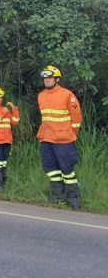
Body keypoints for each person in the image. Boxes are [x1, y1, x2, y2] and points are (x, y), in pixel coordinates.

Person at [37, 65, 83, 210]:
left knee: (67, 170)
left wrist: (70, 133)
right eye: (45, 78)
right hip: (46, 139)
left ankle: (73, 197)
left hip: (64, 140)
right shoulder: (41, 96)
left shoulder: (67, 95)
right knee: (51, 170)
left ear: (57, 79)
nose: (46, 80)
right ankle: (57, 196)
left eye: (50, 77)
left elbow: (77, 118)